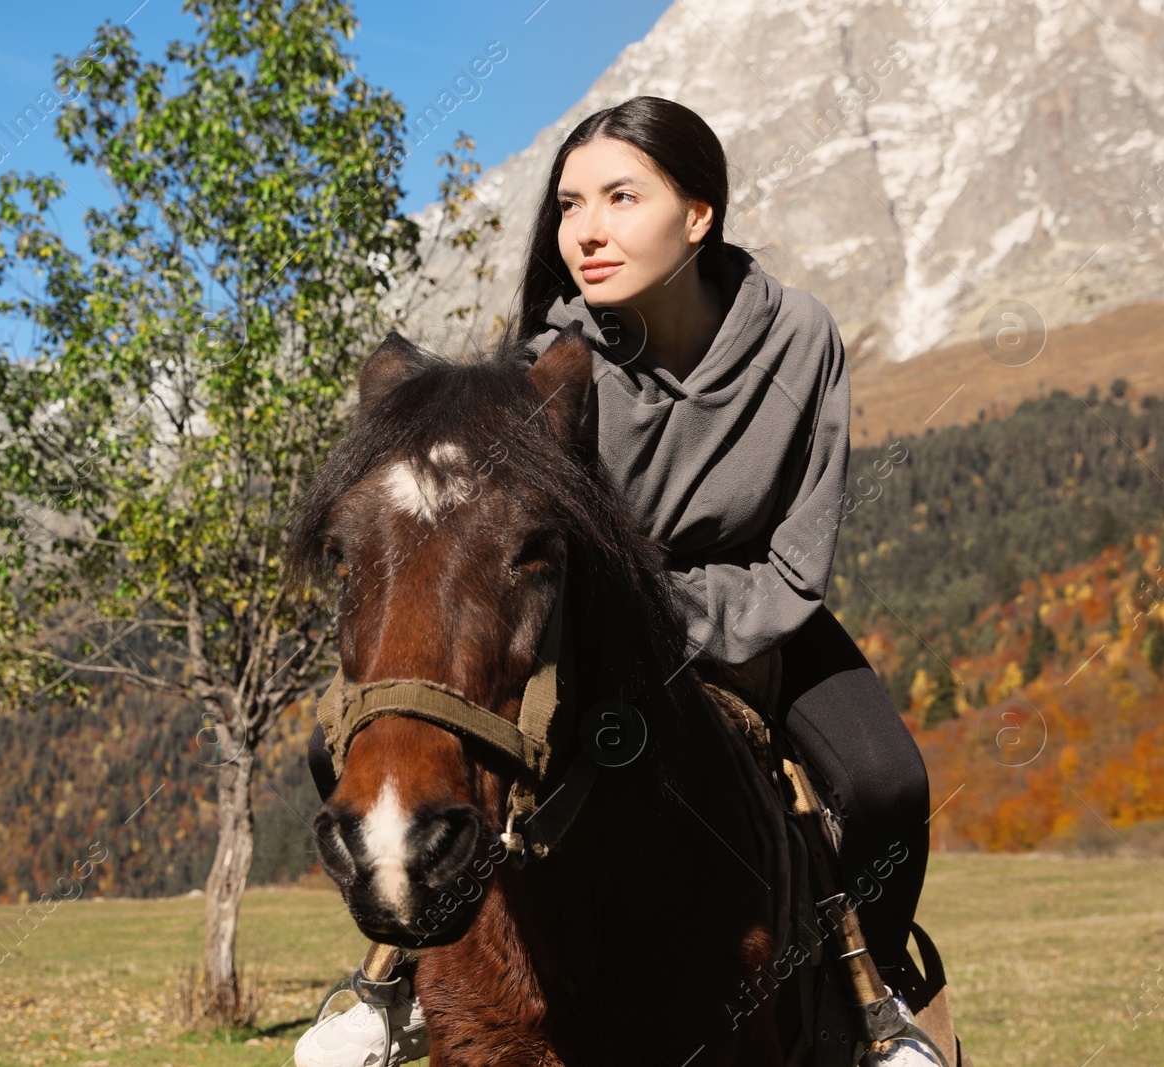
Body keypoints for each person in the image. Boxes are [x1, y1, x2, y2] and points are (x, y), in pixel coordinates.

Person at [295, 95, 937, 1067]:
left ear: (699, 213)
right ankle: (391, 977)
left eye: (619, 196)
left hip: (762, 613)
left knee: (886, 778)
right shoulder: (538, 369)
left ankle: (875, 1000)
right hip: (589, 633)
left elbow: (798, 551)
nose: (585, 229)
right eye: (567, 204)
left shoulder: (800, 337)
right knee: (361, 746)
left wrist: (672, 619)